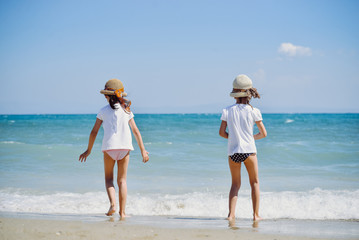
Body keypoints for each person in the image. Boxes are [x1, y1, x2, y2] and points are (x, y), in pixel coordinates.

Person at [79, 79, 149, 219]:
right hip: (125, 148)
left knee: (109, 179)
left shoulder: (103, 111)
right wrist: (143, 150)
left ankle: (112, 204)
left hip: (109, 148)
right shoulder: (126, 110)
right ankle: (122, 213)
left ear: (107, 96)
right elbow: (135, 130)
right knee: (122, 181)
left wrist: (89, 149)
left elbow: (94, 132)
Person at [219, 74, 267, 222]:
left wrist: (234, 138)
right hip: (249, 151)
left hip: (233, 152)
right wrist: (249, 138)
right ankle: (256, 215)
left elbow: (221, 133)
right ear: (249, 93)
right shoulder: (254, 111)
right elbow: (263, 133)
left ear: (235, 95)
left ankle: (231, 215)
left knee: (235, 184)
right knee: (254, 183)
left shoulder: (227, 110)